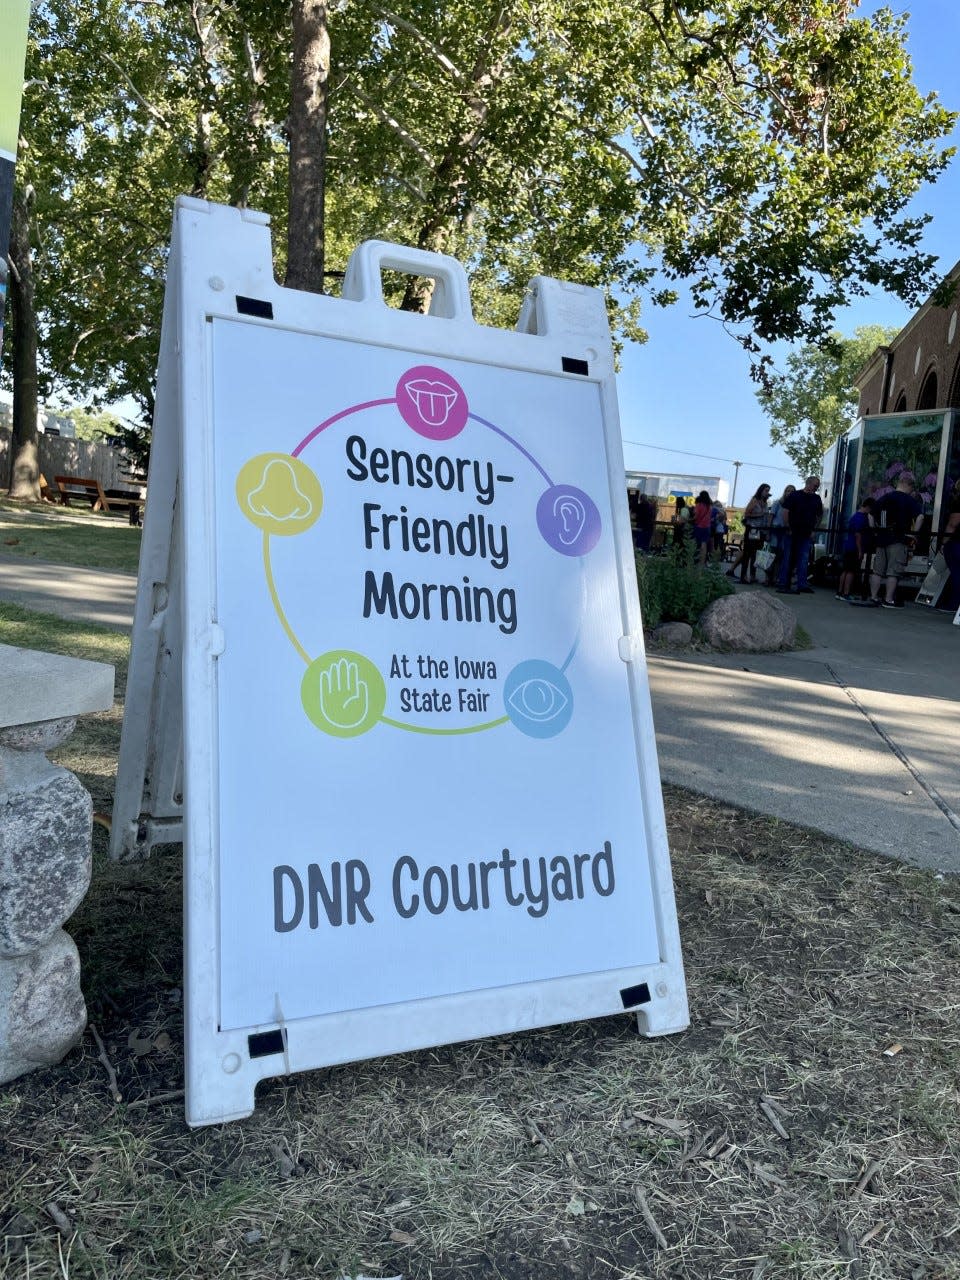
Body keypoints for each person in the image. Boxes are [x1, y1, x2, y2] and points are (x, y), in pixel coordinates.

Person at [865, 470, 924, 608]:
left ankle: (873, 597)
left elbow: (870, 515)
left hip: (881, 538)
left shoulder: (885, 497)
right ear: (909, 486)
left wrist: (874, 531)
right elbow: (920, 517)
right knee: (894, 571)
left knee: (877, 570)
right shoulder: (909, 500)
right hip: (898, 539)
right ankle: (888, 599)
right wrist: (913, 533)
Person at [776, 475, 823, 594]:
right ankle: (783, 583)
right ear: (808, 484)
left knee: (803, 559)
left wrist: (814, 529)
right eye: (815, 485)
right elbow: (786, 511)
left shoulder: (816, 498)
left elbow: (819, 515)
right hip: (792, 531)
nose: (816, 488)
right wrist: (788, 526)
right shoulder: (795, 495)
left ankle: (802, 584)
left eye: (818, 486)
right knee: (787, 558)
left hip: (806, 533)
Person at [726, 483, 771, 583]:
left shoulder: (765, 503)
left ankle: (752, 575)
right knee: (747, 553)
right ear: (761, 490)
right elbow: (747, 513)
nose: (767, 493)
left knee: (756, 554)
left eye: (768, 491)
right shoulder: (755, 500)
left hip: (761, 530)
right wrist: (760, 514)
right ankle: (744, 576)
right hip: (752, 530)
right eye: (766, 490)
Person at [836, 497, 875, 601]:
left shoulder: (855, 516)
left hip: (849, 546)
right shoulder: (860, 518)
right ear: (868, 507)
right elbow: (858, 535)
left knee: (846, 570)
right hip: (854, 548)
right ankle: (846, 593)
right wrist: (860, 550)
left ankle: (840, 592)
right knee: (851, 571)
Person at [765, 484, 795, 586]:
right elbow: (771, 517)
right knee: (771, 555)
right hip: (775, 531)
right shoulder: (777, 503)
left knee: (780, 557)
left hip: (785, 532)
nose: (790, 493)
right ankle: (767, 578)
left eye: (792, 491)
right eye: (788, 491)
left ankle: (775, 578)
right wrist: (768, 532)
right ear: (785, 492)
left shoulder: (793, 505)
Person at [938, 478, 960, 610]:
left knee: (956, 573)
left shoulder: (958, 503)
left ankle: (953, 604)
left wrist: (944, 542)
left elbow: (953, 524)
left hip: (957, 542)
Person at [692, 490, 714, 564]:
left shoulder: (699, 505)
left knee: (695, 544)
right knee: (704, 545)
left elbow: (696, 516)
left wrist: (689, 520)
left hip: (699, 527)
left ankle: (694, 560)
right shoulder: (710, 507)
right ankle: (702, 562)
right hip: (707, 528)